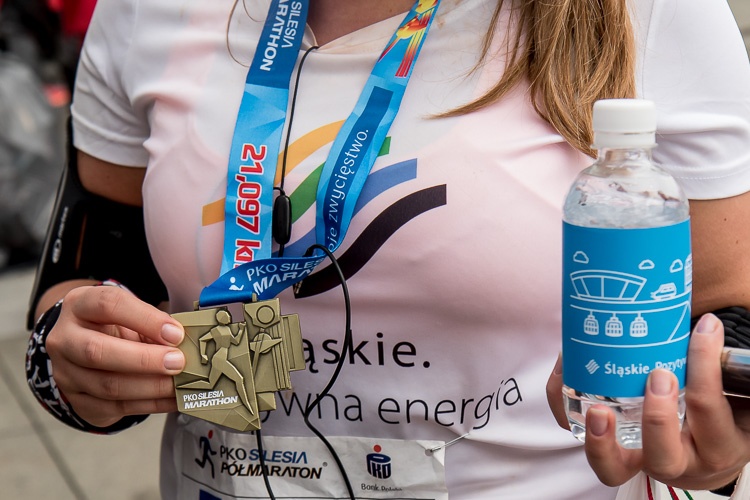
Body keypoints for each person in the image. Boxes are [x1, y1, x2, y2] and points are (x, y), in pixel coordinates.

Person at [24, 0, 750, 498]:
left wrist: (717, 445)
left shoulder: (652, 13)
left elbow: (729, 315)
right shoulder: (143, 11)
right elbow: (80, 286)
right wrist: (75, 368)